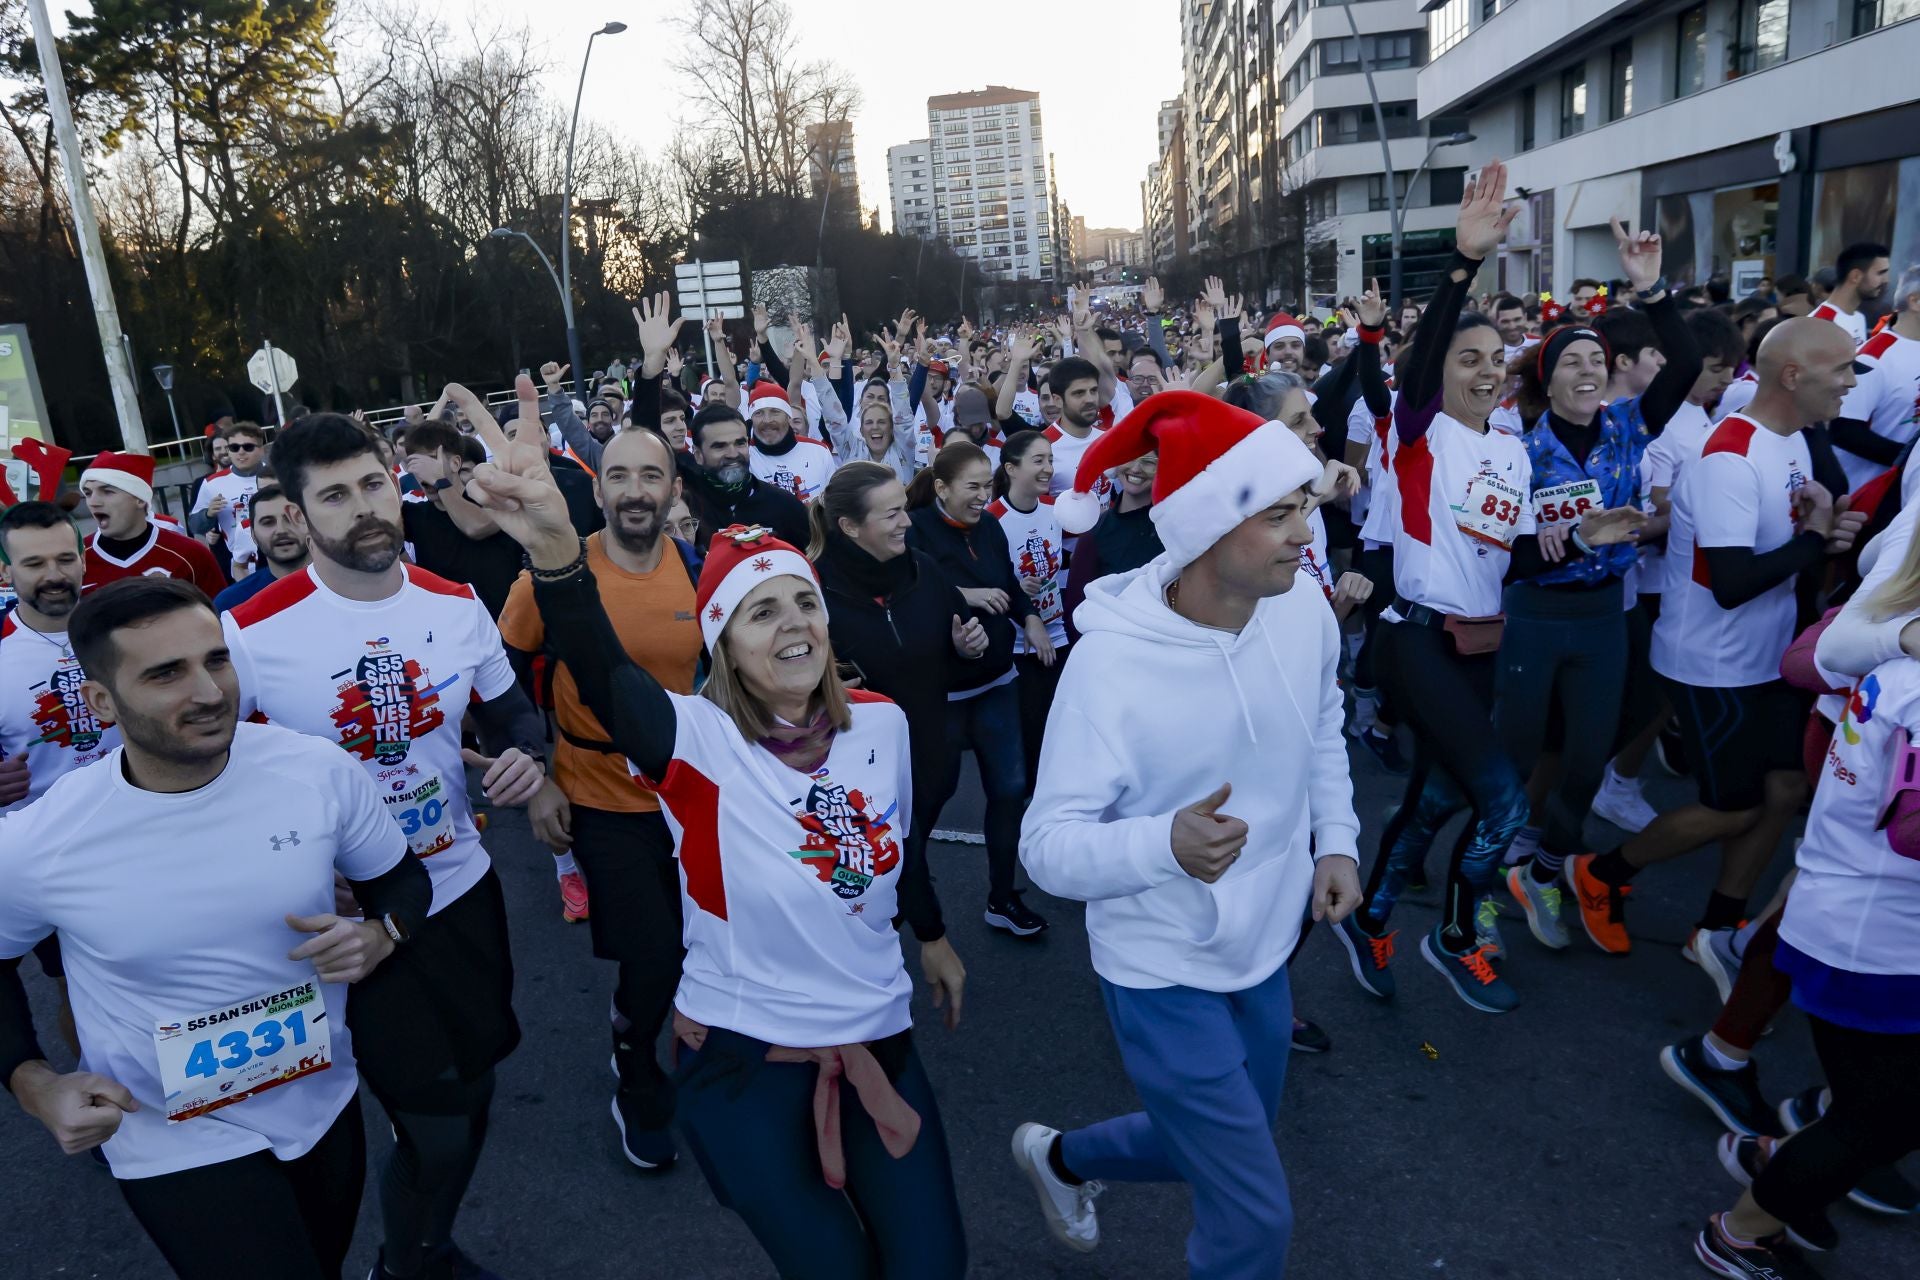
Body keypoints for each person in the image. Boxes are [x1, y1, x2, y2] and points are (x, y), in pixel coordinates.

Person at [462, 385, 969, 1280]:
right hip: (743, 1057)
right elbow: (599, 665)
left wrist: (931, 936)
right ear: (722, 646)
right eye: (760, 613)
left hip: (881, 1034)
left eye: (802, 605)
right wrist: (551, 543)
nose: (794, 627)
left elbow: (897, 845)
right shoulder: (696, 742)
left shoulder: (880, 725)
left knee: (933, 1269)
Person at [1017, 389, 1363, 1277]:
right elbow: (1046, 845)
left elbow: (1323, 720)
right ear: (1209, 528)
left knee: (1216, 1143)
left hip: (1267, 945)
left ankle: (1058, 1158)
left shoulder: (1302, 610)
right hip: (1160, 966)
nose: (1304, 533)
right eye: (1279, 513)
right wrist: (1160, 845)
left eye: (1306, 509)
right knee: (1253, 1221)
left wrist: (1336, 840)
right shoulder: (1110, 665)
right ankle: (1062, 1160)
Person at [0, 576, 431, 1280]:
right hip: (169, 1132)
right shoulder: (41, 841)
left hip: (319, 1098)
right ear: (101, 701)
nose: (207, 692)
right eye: (166, 673)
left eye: (216, 660)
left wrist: (383, 935)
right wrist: (33, 1083)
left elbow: (401, 882)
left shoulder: (314, 770)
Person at [223, 411, 545, 1280]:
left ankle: (421, 1246)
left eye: (372, 484)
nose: (364, 509)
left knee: (474, 1088)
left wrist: (526, 753)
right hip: (349, 921)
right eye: (333, 495)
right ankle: (407, 1260)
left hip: (459, 886)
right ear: (295, 513)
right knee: (434, 1115)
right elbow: (215, 775)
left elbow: (511, 711)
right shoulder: (251, 632)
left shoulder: (454, 602)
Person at [1337, 162, 1641, 1013]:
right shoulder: (1418, 430)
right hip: (1412, 639)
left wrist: (1577, 536)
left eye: (1493, 359)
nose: (1482, 369)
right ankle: (1460, 932)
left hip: (1479, 644)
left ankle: (1374, 919)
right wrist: (1463, 266)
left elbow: (1509, 560)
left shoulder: (1509, 448)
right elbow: (1427, 355)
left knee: (1439, 797)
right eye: (1466, 358)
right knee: (1504, 802)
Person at [1570, 319, 1869, 964]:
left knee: (1787, 790)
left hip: (1770, 657)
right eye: (1842, 370)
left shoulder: (1790, 440)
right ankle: (1599, 875)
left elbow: (1789, 545)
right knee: (1732, 807)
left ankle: (1717, 929)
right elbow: (1731, 582)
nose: (1851, 384)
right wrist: (1815, 539)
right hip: (1712, 664)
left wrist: (1827, 534)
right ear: (1793, 376)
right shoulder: (1728, 456)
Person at [1692, 529, 1920, 1276]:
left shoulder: (1896, 652)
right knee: (1876, 1117)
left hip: (1856, 918)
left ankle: (1779, 1160)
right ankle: (1743, 1231)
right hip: (1872, 938)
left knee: (1877, 1111)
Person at [498, 426, 703, 1170]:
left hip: (690, 794)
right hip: (598, 794)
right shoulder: (550, 576)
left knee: (701, 944)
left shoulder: (696, 570)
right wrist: (538, 774)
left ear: (674, 489)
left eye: (652, 475)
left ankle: (692, 1047)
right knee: (650, 954)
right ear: (597, 489)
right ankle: (635, 1061)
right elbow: (498, 687)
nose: (636, 490)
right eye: (620, 475)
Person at [1493, 218, 1694, 952]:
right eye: (1570, 360)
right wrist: (1551, 542)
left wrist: (1652, 290)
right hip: (1535, 616)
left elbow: (1682, 364)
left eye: (1596, 358)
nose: (1586, 368)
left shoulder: (1629, 429)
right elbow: (1502, 554)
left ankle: (1543, 869)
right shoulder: (1514, 450)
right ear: (1547, 379)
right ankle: (1482, 877)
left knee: (1586, 758)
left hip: (1606, 616)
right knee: (1514, 756)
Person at [906, 443, 1056, 937]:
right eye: (971, 486)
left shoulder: (989, 526)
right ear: (943, 487)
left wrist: (1029, 618)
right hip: (942, 693)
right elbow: (906, 593)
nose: (982, 495)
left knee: (1010, 789)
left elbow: (1008, 583)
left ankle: (1002, 897)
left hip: (996, 682)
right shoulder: (915, 529)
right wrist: (962, 595)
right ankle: (905, 883)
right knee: (931, 794)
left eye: (987, 485)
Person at [0, 502, 116, 811]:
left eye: (65, 559)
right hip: (38, 838)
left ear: (83, 560)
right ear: (5, 570)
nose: (54, 576)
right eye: (34, 564)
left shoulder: (129, 626)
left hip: (140, 816)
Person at [988, 431, 1068, 799]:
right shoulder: (993, 519)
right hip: (1018, 647)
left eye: (1050, 460)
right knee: (1032, 730)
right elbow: (989, 582)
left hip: (1060, 635)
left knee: (1062, 725)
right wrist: (1018, 592)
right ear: (1010, 468)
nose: (1048, 468)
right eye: (1038, 461)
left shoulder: (1056, 509)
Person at [399, 413, 527, 618]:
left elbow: (476, 527)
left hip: (508, 628)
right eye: (416, 464)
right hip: (451, 632)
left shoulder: (493, 500)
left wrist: (441, 482)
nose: (423, 472)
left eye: (432, 460)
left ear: (456, 463)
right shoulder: (415, 516)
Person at [80, 451, 225, 597]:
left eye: (107, 492)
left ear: (140, 499)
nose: (93, 502)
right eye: (88, 493)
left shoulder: (191, 554)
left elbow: (220, 614)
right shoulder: (75, 558)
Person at [1830, 263, 1920, 491]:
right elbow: (1844, 431)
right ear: (1915, 301)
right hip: (1867, 501)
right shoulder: (1874, 357)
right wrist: (1908, 460)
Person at [679, 403, 810, 548]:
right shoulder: (686, 507)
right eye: (720, 446)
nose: (733, 454)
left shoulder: (784, 505)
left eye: (740, 443)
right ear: (698, 455)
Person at [1061, 451, 1162, 638]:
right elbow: (1076, 610)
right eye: (1129, 457)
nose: (1136, 468)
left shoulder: (1172, 526)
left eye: (1148, 462)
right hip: (1109, 645)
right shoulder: (1096, 531)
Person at [211, 485, 310, 613]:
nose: (281, 530)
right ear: (253, 535)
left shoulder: (342, 586)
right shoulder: (230, 604)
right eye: (268, 522)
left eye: (291, 519)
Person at [189, 422, 268, 579]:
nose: (241, 452)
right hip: (240, 568)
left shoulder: (277, 475)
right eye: (234, 447)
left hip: (278, 561)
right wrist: (208, 515)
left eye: (248, 447)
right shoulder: (212, 483)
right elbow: (194, 526)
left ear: (261, 449)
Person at [746, 383, 836, 500]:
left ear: (788, 417)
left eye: (775, 411)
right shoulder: (744, 456)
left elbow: (833, 502)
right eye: (758, 413)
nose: (767, 420)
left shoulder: (818, 451)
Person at [1809, 241, 1890, 347]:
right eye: (1880, 273)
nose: (1886, 280)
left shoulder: (1859, 317)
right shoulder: (1822, 323)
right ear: (1855, 276)